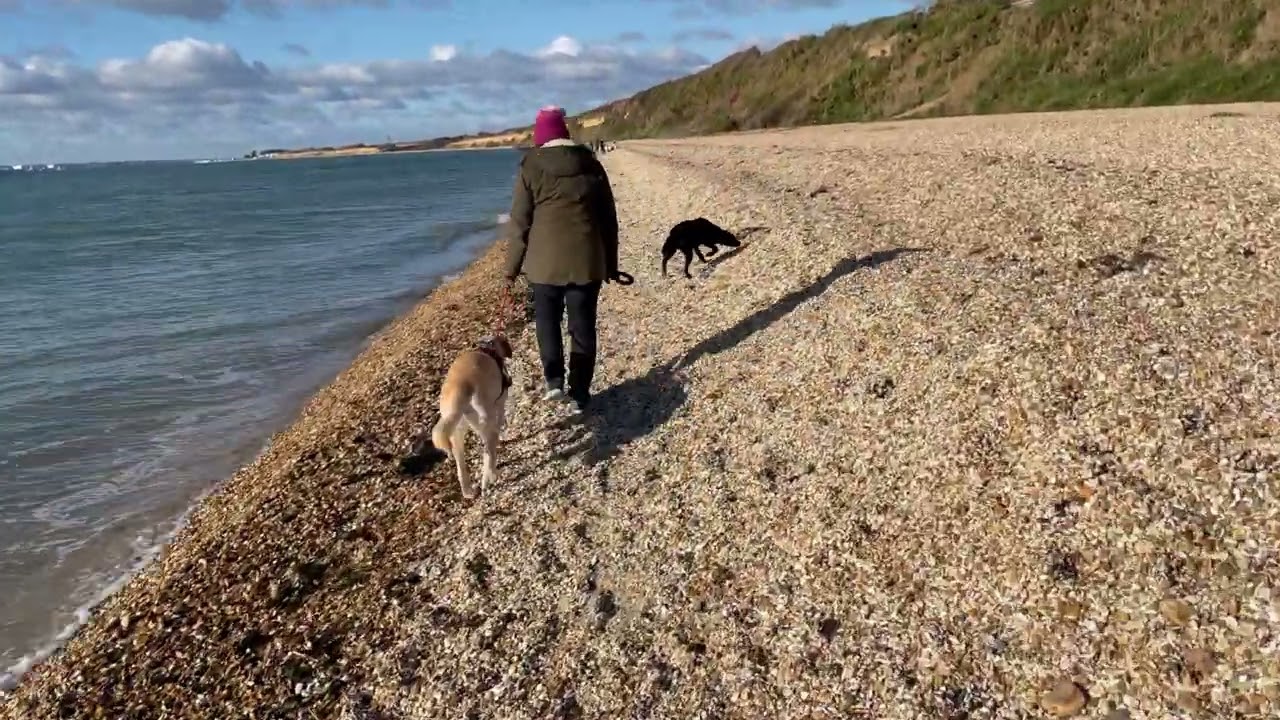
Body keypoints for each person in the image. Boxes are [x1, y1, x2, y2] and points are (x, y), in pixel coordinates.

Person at [504, 106, 621, 412]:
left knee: (547, 322)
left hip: (543, 264)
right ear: (565, 134)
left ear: (541, 136)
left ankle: (554, 381)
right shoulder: (591, 163)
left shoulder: (530, 166)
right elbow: (609, 219)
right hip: (587, 260)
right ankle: (580, 393)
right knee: (582, 327)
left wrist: (510, 269)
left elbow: (520, 222)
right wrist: (611, 264)